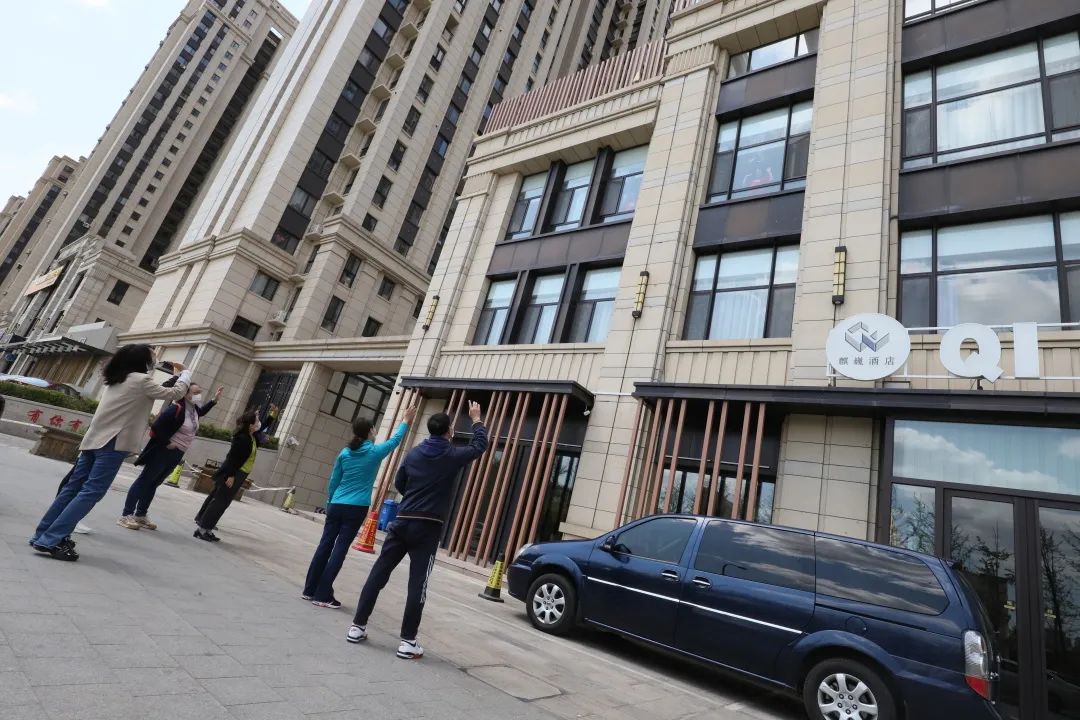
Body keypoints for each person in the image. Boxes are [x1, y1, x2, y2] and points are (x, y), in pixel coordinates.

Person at [347, 401, 488, 658]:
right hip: (428, 527)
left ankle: (357, 626)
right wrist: (476, 419)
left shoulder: (413, 454)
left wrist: (413, 497)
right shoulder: (451, 455)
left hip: (402, 520)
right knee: (418, 584)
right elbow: (480, 445)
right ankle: (407, 641)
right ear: (449, 431)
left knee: (379, 573)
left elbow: (400, 481)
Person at [29, 345, 192, 561]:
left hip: (94, 440)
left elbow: (156, 390)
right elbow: (175, 394)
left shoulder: (118, 378)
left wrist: (174, 377)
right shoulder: (141, 380)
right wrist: (185, 374)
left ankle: (42, 535)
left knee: (73, 488)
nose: (154, 360)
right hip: (113, 444)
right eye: (152, 356)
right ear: (141, 361)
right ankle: (52, 539)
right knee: (92, 491)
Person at [303, 404, 418, 609]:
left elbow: (334, 480)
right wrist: (405, 421)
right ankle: (323, 594)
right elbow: (395, 441)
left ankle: (309, 589)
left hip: (336, 503)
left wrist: (330, 501)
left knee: (325, 545)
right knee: (340, 549)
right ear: (370, 431)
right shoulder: (374, 452)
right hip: (356, 508)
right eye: (374, 428)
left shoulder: (345, 453)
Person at [118, 381, 223, 530]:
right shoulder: (176, 408)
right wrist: (167, 443)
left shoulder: (193, 409)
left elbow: (201, 412)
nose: (198, 395)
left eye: (200, 392)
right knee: (145, 480)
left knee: (155, 482)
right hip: (163, 451)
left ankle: (140, 514)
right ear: (185, 394)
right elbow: (156, 426)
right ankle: (126, 514)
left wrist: (214, 400)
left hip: (177, 453)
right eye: (195, 392)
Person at [193, 409, 259, 542]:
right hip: (233, 473)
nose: (258, 424)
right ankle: (201, 529)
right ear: (250, 425)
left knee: (224, 503)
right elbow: (232, 458)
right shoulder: (242, 438)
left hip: (241, 473)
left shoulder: (251, 437)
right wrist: (231, 475)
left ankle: (208, 529)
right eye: (256, 422)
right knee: (219, 502)